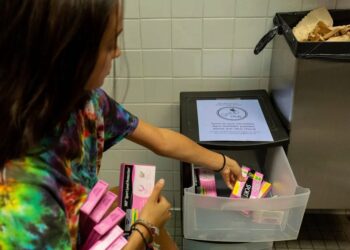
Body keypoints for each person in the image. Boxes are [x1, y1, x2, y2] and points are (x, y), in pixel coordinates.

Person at [0, 0, 244, 249]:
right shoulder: (25, 194)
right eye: (108, 45)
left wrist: (223, 162)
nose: (117, 52)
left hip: (80, 231)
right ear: (68, 54)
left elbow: (160, 139)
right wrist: (145, 228)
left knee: (131, 199)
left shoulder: (84, 101)